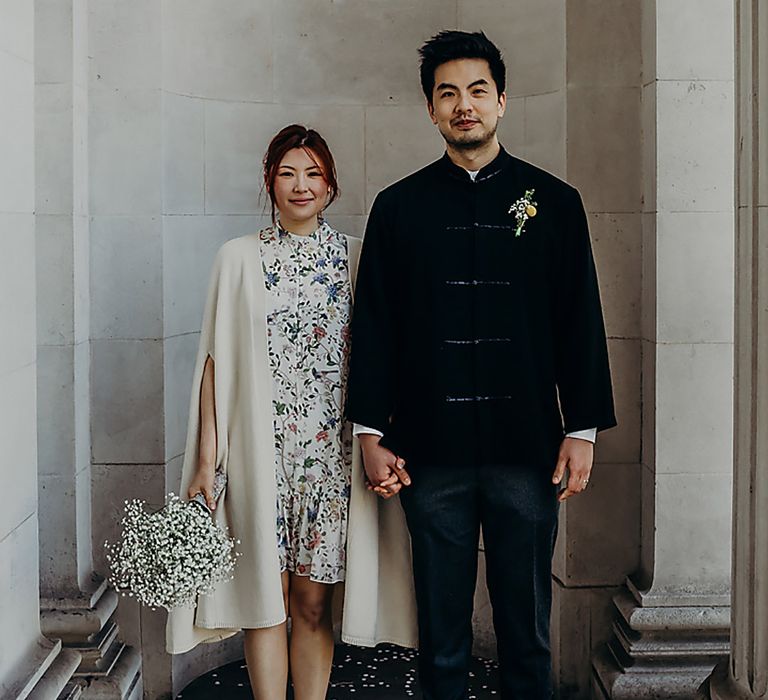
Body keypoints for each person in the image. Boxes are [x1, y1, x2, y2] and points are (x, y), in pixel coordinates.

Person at [347, 31, 617, 699]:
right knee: (440, 637)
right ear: (431, 111)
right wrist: (368, 432)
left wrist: (581, 430)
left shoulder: (552, 202)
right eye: (448, 94)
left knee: (527, 632)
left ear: (501, 101)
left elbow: (580, 316)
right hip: (428, 452)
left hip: (527, 452)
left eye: (476, 91)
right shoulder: (399, 207)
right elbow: (375, 323)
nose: (463, 105)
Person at [165, 124, 417, 699]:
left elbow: (385, 356)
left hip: (329, 462)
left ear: (330, 184)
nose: (300, 185)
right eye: (287, 173)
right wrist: (206, 461)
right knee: (267, 601)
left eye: (312, 173)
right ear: (269, 183)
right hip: (262, 458)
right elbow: (213, 366)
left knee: (310, 603)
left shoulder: (356, 258)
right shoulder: (238, 258)